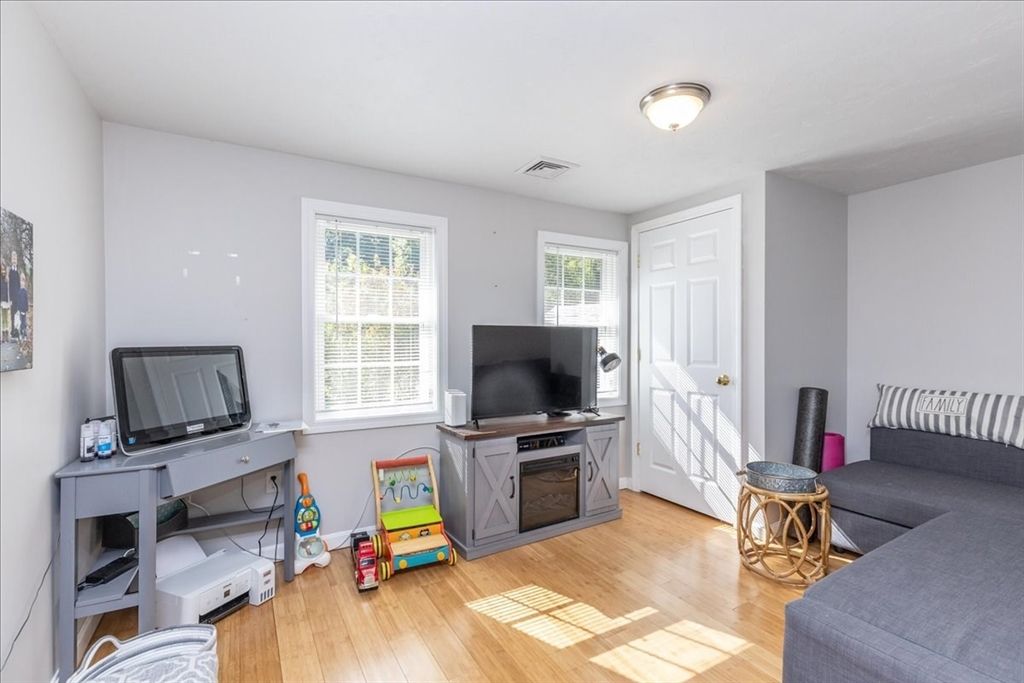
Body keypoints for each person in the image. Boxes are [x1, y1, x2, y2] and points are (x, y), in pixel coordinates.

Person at [7, 252, 19, 340]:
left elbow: (19, 284)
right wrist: (10, 298)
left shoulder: (18, 270)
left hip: (17, 296)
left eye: (15, 259)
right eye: (13, 259)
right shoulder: (10, 271)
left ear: (17, 260)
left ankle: (16, 331)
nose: (14, 260)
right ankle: (12, 332)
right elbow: (9, 286)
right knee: (12, 314)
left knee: (17, 314)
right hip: (12, 296)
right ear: (11, 260)